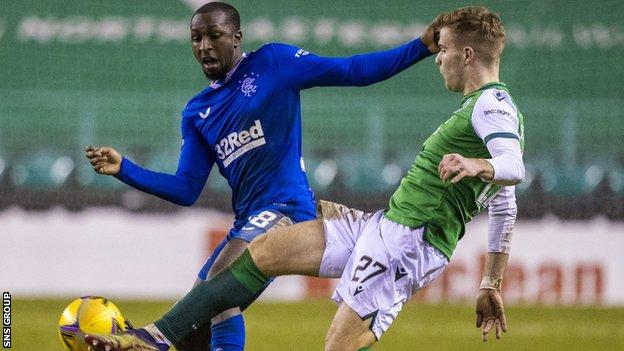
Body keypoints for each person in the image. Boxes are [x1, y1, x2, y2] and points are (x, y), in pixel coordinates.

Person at [84, 5, 524, 351]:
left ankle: (152, 338)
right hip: (365, 225)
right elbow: (185, 188)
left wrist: (418, 48)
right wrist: (126, 169)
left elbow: (352, 71)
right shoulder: (198, 110)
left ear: (236, 38)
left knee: (221, 283)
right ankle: (160, 339)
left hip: (303, 211)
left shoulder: (273, 62)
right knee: (213, 297)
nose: (204, 46)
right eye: (195, 38)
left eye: (214, 36)